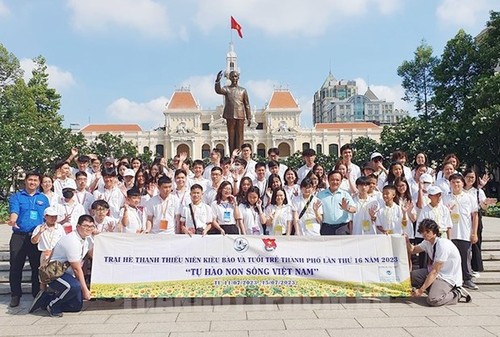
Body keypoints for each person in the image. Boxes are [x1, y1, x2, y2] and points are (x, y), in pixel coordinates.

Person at [29, 215, 95, 317]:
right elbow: (76, 269)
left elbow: (93, 255)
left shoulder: (88, 239)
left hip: (67, 274)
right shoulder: (72, 240)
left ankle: (46, 299)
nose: (89, 229)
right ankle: (53, 305)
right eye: (85, 226)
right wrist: (85, 290)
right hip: (54, 273)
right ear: (78, 226)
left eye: (91, 226)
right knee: (73, 286)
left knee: (76, 306)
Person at [7, 172, 50, 307]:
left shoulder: (43, 198)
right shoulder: (17, 197)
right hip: (19, 235)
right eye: (30, 180)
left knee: (36, 266)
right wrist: (13, 220)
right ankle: (15, 295)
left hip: (36, 236)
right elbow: (14, 211)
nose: (32, 182)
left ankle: (36, 294)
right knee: (15, 266)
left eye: (35, 180)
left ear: (39, 183)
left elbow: (47, 216)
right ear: (25, 181)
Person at [406, 218, 471, 306]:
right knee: (412, 276)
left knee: (433, 300)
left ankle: (456, 294)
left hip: (447, 277)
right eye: (422, 231)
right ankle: (433, 288)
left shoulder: (443, 245)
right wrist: (406, 240)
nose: (425, 234)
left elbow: (435, 271)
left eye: (428, 231)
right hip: (436, 274)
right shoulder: (427, 242)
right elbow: (413, 250)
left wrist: (421, 290)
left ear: (435, 232)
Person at [214, 70, 252, 152]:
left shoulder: (243, 90)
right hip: (229, 115)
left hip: (240, 115)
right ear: (229, 78)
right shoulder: (227, 89)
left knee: (240, 136)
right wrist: (217, 81)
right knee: (231, 136)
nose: (234, 78)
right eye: (232, 76)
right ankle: (232, 154)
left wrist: (249, 117)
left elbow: (247, 104)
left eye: (235, 76)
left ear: (238, 77)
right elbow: (218, 90)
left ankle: (239, 154)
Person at [317, 170, 356, 235]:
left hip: (342, 228)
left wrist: (347, 208)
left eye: (337, 180)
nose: (335, 182)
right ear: (328, 180)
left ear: (341, 181)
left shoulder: (345, 194)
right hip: (326, 228)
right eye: (332, 180)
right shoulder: (320, 195)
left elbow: (354, 209)